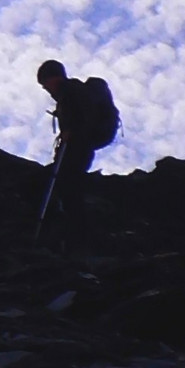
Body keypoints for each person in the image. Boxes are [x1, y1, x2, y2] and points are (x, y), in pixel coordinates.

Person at [36, 59, 117, 254]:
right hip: (82, 144)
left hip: (80, 144)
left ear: (53, 78)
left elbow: (81, 121)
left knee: (69, 184)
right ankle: (72, 233)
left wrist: (72, 133)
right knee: (68, 182)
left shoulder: (71, 91)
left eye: (45, 82)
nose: (46, 88)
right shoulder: (72, 92)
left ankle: (75, 236)